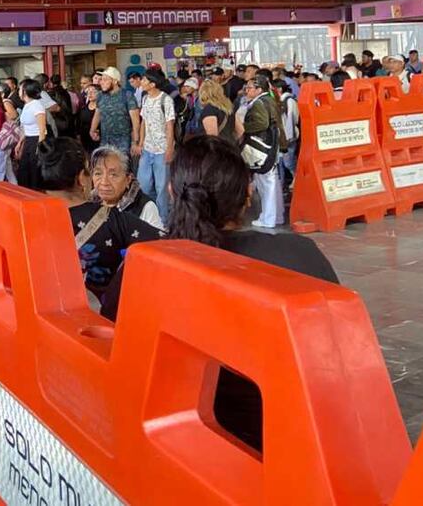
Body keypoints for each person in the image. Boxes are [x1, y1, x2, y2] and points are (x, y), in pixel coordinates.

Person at [101, 136, 339, 452]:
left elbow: (110, 349)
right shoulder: (301, 256)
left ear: (172, 192)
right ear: (247, 196)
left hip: (176, 449)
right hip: (294, 448)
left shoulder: (143, 266)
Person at [73, 146, 163, 298]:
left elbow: (159, 253)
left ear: (128, 179)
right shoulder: (87, 205)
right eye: (98, 173)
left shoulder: (145, 207)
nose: (104, 182)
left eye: (113, 175)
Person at [239, 77, 284, 229]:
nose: (247, 90)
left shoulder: (259, 103)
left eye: (250, 88)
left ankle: (268, 218)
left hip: (263, 146)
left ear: (259, 89)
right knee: (272, 181)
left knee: (266, 183)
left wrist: (245, 126)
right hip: (271, 144)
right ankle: (276, 215)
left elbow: (262, 123)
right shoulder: (270, 100)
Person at [135, 69, 176, 224]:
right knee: (143, 184)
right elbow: (143, 122)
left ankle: (163, 220)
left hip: (162, 149)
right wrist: (140, 143)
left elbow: (169, 125)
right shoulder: (145, 99)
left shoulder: (165, 100)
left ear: (152, 84)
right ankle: (151, 216)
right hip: (147, 149)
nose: (142, 82)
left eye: (145, 80)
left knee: (162, 187)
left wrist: (169, 148)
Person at [90, 67, 140, 157]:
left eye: (105, 80)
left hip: (123, 142)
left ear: (115, 81)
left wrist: (135, 142)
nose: (101, 82)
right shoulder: (100, 96)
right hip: (105, 141)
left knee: (122, 169)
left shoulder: (127, 95)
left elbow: (135, 121)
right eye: (101, 80)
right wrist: (92, 130)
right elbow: (97, 114)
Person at [16, 79, 48, 189]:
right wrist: (20, 142)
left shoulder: (37, 105)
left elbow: (42, 129)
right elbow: (26, 127)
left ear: (25, 91)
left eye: (20, 89)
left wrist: (39, 147)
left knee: (34, 171)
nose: (18, 91)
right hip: (28, 140)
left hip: (37, 140)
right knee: (24, 170)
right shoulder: (27, 105)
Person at [274, 79, 300, 190]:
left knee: (288, 161)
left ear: (279, 89)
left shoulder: (289, 101)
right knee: (283, 161)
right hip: (283, 135)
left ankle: (297, 178)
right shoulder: (282, 101)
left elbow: (291, 119)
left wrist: (289, 136)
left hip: (288, 136)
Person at [0, 97, 21, 184]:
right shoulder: (0, 106)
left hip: (3, 141)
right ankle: (15, 187)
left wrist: (6, 116)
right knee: (8, 169)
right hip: (5, 140)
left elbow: (14, 115)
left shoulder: (4, 103)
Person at [198, 78, 237, 145]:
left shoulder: (209, 110)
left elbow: (213, 138)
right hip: (231, 147)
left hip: (219, 151)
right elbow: (241, 131)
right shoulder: (229, 108)